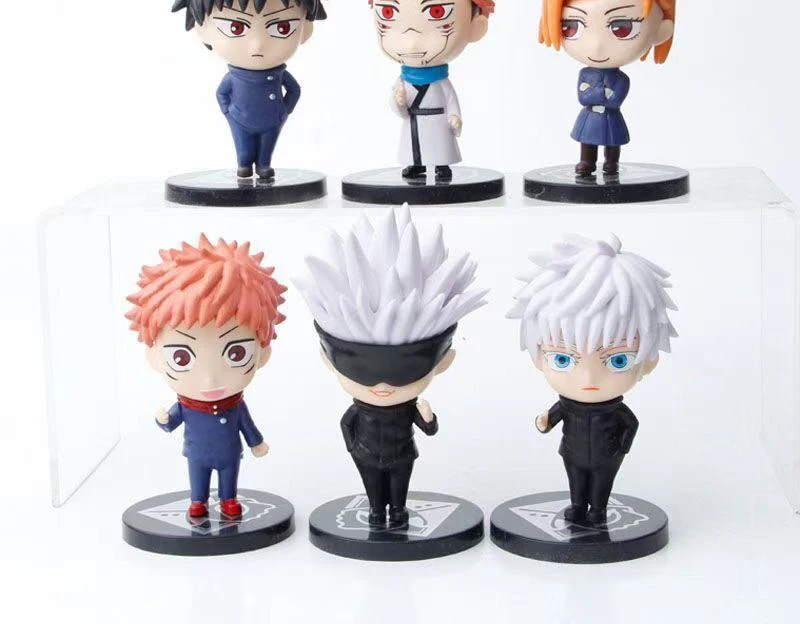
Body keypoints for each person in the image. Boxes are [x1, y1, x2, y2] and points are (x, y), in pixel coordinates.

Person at [295, 205, 487, 528]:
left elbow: (429, 430)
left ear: (442, 362)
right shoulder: (360, 409)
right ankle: (375, 511)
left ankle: (397, 512)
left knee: (399, 488)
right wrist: (354, 448)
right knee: (373, 488)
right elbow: (346, 424)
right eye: (359, 370)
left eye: (404, 373)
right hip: (366, 455)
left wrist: (428, 417)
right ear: (328, 360)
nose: (382, 385)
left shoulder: (406, 406)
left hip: (402, 455)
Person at [507, 233, 677, 525]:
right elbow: (550, 419)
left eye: (618, 360)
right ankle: (577, 505)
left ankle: (597, 509)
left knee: (602, 482)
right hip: (572, 452)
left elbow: (630, 424)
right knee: (575, 479)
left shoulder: (616, 410)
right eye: (563, 359)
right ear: (538, 357)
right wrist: (544, 422)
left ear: (648, 361)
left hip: (607, 456)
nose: (588, 378)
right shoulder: (566, 405)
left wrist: (621, 447)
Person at [126, 235, 287, 518]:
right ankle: (198, 501)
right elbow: (171, 423)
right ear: (154, 357)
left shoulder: (234, 405)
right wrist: (162, 419)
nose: (210, 380)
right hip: (197, 453)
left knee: (229, 477)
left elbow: (246, 424)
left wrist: (256, 442)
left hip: (229, 453)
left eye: (237, 353)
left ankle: (228, 500)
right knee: (197, 477)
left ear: (262, 353)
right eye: (181, 357)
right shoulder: (187, 406)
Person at [169, 0, 336, 179]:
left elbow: (294, 90)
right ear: (202, 28)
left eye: (282, 27)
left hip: (273, 118)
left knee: (267, 148)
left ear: (306, 28)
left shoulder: (278, 74)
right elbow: (222, 93)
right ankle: (244, 165)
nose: (257, 45)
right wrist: (229, 112)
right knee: (243, 148)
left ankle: (265, 166)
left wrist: (284, 110)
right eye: (236, 27)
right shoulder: (234, 77)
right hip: (240, 118)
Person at [363, 0, 503, 180]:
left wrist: (454, 117)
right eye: (388, 13)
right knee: (413, 149)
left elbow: (451, 101)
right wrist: (398, 101)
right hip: (414, 123)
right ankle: (416, 166)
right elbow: (398, 109)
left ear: (476, 26)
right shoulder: (404, 81)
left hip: (437, 123)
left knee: (440, 149)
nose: (411, 40)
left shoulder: (441, 83)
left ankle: (441, 166)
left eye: (437, 12)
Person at [539, 0, 678, 176]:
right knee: (587, 141)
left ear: (662, 29)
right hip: (591, 116)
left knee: (612, 142)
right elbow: (584, 96)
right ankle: (587, 163)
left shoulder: (619, 78)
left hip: (610, 117)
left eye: (622, 27)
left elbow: (614, 97)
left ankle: (611, 164)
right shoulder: (587, 73)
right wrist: (600, 94)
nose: (596, 45)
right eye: (571, 26)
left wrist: (598, 94)